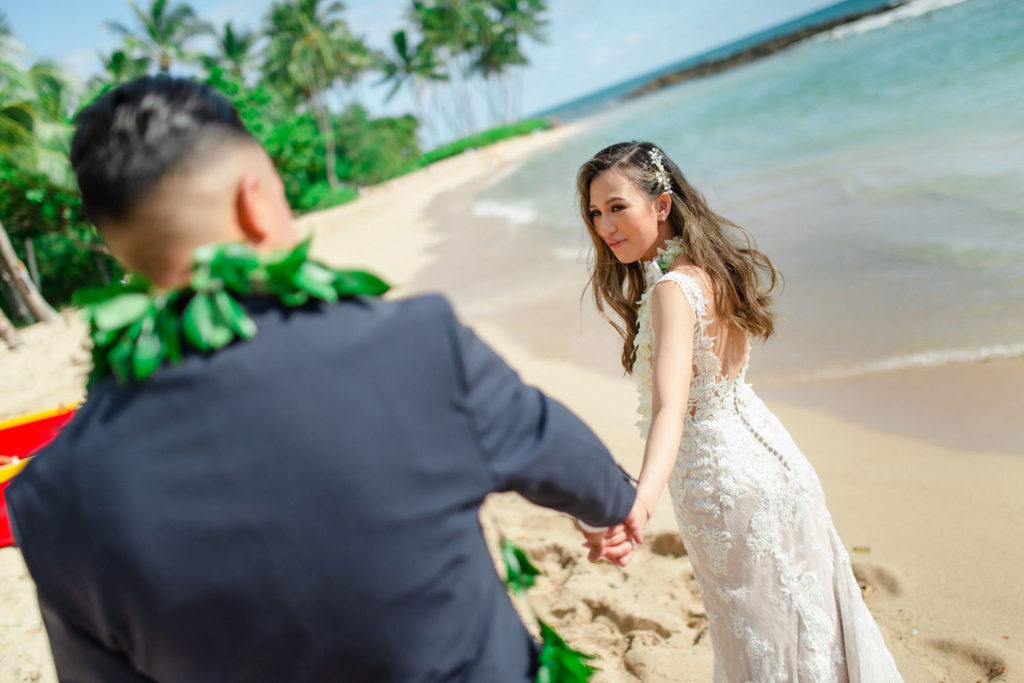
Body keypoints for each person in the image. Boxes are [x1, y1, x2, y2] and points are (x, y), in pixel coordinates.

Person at [5, 76, 644, 682]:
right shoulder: (412, 344)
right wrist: (608, 508)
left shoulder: (51, 499)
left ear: (116, 246)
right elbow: (569, 462)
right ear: (255, 200)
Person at [576, 141, 904, 681]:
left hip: (724, 489)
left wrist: (641, 504)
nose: (605, 225)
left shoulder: (670, 292)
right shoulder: (711, 269)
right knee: (810, 629)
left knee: (764, 645)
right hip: (776, 462)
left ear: (661, 205)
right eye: (595, 212)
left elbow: (669, 412)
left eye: (617, 206)